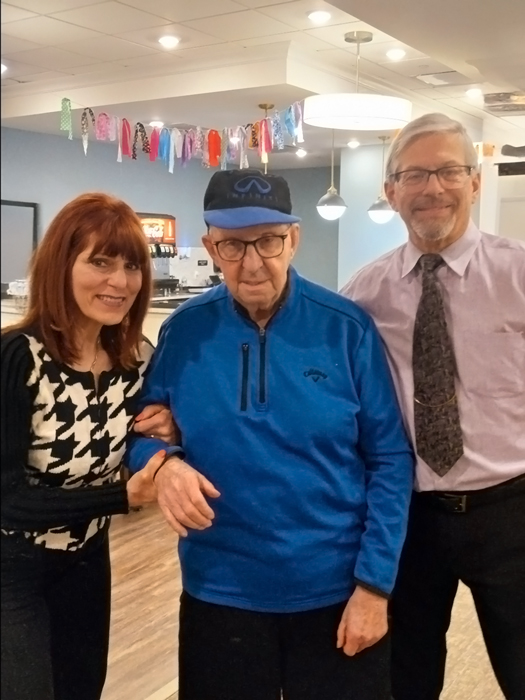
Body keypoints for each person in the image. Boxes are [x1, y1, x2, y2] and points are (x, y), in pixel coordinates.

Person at [127, 169, 414, 700]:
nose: (253, 262)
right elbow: (140, 430)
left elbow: (391, 459)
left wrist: (375, 587)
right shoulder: (183, 331)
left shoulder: (347, 327)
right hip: (219, 591)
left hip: (335, 592)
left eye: (268, 240)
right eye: (234, 245)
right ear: (211, 247)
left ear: (294, 239)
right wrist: (163, 464)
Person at [340, 113, 525, 700]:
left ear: (475, 182)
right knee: (405, 678)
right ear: (391, 191)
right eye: (413, 174)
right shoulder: (363, 295)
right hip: (408, 517)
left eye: (448, 170)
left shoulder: (519, 274)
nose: (432, 188)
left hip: (513, 512)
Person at [1, 192, 175, 700]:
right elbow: (8, 499)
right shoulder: (18, 358)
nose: (118, 282)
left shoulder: (132, 359)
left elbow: (133, 435)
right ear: (61, 263)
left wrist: (166, 427)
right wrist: (124, 498)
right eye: (99, 262)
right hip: (12, 570)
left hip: (87, 564)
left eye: (131, 266)